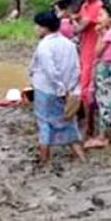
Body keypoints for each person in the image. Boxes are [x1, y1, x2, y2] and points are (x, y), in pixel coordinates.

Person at [28, 12, 84, 163]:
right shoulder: (69, 44)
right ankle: (80, 157)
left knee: (44, 123)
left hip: (47, 90)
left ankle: (44, 159)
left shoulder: (44, 46)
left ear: (44, 28)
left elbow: (50, 71)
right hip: (66, 89)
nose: (35, 28)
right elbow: (76, 68)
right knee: (67, 122)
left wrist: (59, 88)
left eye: (37, 26)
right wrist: (70, 88)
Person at [86, 4, 111, 149]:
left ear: (110, 19)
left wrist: (100, 34)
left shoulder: (109, 34)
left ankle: (103, 136)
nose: (98, 18)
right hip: (107, 67)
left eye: (101, 15)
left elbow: (97, 52)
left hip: (104, 66)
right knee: (107, 95)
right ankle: (106, 131)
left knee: (103, 98)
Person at [74, 0, 104, 130]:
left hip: (93, 50)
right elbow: (78, 18)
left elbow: (80, 27)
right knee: (83, 83)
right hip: (84, 48)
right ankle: (84, 117)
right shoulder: (85, 5)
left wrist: (70, 19)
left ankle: (89, 126)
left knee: (87, 86)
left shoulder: (96, 6)